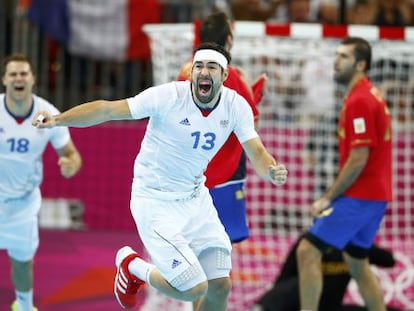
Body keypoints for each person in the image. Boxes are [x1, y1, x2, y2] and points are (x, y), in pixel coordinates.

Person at [32, 42, 288, 311]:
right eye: (199, 66)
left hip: (195, 199)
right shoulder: (168, 97)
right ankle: (133, 267)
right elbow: (107, 109)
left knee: (220, 286)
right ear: (191, 72)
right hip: (155, 201)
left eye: (212, 67)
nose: (203, 72)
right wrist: (58, 119)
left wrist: (270, 170)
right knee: (193, 288)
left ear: (224, 76)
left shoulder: (236, 106)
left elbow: (256, 151)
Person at [296, 37, 392, 311]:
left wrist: (327, 198)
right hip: (375, 197)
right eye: (336, 55)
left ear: (361, 64)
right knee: (357, 262)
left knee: (307, 250)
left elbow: (358, 158)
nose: (336, 62)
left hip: (360, 196)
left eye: (344, 57)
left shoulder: (360, 100)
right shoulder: (366, 94)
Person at [0, 54, 82, 311]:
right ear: (4, 80)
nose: (18, 78)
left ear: (33, 79)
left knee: (23, 261)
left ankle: (24, 306)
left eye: (24, 73)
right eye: (13, 74)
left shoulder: (48, 114)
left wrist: (70, 165)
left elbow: (72, 155)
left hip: (22, 205)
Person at [251, 233, 400, 311]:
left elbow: (389, 260)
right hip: (301, 306)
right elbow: (282, 283)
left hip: (331, 307)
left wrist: (361, 244)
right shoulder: (308, 245)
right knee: (294, 285)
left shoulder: (351, 246)